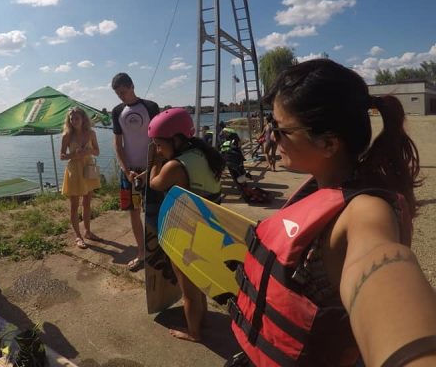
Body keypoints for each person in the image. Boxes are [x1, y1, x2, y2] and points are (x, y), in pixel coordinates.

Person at [227, 59, 436, 366]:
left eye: (280, 129)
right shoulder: (329, 187)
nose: (272, 137)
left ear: (328, 144)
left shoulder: (364, 213)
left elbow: (383, 268)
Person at [148, 107, 224, 342]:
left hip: (186, 232)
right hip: (208, 228)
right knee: (199, 281)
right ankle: (203, 319)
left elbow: (155, 184)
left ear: (177, 139)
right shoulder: (202, 155)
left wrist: (154, 162)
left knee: (188, 290)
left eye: (160, 144)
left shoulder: (174, 166)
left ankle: (193, 332)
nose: (159, 149)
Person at [111, 72, 160, 271]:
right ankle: (141, 253)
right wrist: (127, 171)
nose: (121, 96)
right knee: (134, 212)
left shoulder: (150, 107)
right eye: (117, 94)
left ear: (132, 86)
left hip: (151, 169)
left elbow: (159, 142)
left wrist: (151, 169)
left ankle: (157, 252)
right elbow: (118, 145)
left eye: (123, 91)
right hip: (130, 173)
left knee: (154, 211)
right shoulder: (117, 111)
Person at [60, 107, 101, 249]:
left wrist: (89, 151)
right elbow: (62, 156)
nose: (74, 121)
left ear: (83, 119)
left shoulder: (91, 133)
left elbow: (97, 152)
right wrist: (74, 155)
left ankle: (88, 231)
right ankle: (78, 236)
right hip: (74, 170)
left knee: (87, 203)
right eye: (71, 119)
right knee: (74, 205)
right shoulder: (67, 135)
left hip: (88, 168)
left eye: (76, 118)